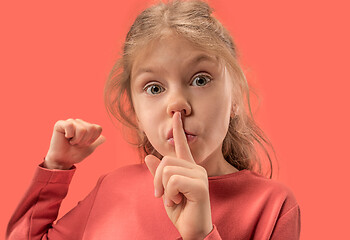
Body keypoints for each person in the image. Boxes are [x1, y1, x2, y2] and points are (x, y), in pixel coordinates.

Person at [6, 0, 301, 239]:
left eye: (200, 80)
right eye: (154, 88)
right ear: (134, 109)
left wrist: (201, 235)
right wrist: (55, 170)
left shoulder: (273, 206)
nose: (177, 105)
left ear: (236, 95)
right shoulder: (113, 188)